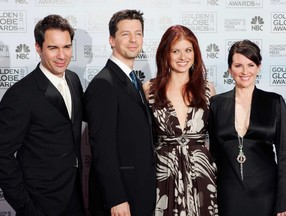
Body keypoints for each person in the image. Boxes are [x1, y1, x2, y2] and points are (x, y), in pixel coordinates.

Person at [0, 14, 84, 216]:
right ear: (38, 48)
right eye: (53, 48)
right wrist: (27, 208)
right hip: (40, 204)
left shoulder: (73, 80)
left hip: (74, 198)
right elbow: (2, 155)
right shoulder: (20, 95)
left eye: (66, 47)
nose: (62, 55)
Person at [83, 9, 156, 216]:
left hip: (139, 192)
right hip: (121, 200)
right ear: (112, 40)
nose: (133, 40)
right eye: (126, 34)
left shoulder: (133, 80)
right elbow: (102, 147)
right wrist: (116, 198)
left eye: (138, 33)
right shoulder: (103, 84)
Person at [143, 25, 218, 215]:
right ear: (165, 54)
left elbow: (218, 138)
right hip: (163, 173)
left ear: (195, 53)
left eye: (188, 50)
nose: (183, 57)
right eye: (175, 51)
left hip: (201, 172)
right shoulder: (149, 90)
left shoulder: (208, 89)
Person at [208, 39, 286, 216]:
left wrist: (284, 202)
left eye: (250, 65)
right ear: (229, 69)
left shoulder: (274, 102)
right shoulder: (216, 104)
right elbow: (214, 153)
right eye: (238, 65)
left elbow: (285, 155)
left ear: (259, 67)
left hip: (267, 194)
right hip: (229, 194)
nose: (245, 71)